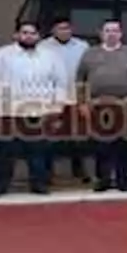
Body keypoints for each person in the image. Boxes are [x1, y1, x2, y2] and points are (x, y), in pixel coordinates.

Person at [0, 22, 65, 196]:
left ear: (38, 36)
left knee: (38, 152)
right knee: (5, 153)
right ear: (16, 35)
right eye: (24, 32)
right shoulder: (2, 55)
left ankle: (39, 185)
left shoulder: (50, 56)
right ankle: (0, 186)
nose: (28, 36)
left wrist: (57, 108)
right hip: (9, 111)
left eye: (32, 33)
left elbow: (61, 83)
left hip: (40, 112)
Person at [76, 19, 127, 192]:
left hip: (126, 105)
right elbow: (80, 79)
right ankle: (103, 179)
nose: (111, 33)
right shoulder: (90, 53)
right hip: (99, 106)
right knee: (101, 145)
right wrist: (82, 103)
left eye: (115, 30)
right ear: (101, 34)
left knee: (125, 144)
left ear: (121, 34)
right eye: (108, 30)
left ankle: (123, 179)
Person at [37, 17, 90, 185]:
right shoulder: (43, 47)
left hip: (76, 98)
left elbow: (87, 73)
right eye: (60, 28)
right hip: (52, 99)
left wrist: (85, 99)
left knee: (78, 138)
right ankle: (48, 173)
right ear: (53, 30)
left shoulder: (82, 46)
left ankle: (79, 169)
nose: (64, 31)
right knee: (50, 138)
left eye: (67, 28)